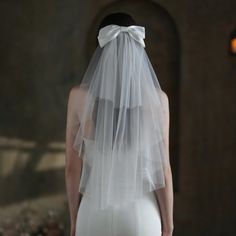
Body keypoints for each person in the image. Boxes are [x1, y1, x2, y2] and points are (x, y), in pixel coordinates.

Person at [65, 12, 174, 236]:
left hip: (94, 214)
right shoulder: (158, 100)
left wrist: (75, 219)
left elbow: (71, 168)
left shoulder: (78, 98)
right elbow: (163, 170)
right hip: (141, 216)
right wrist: (168, 224)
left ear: (101, 49)